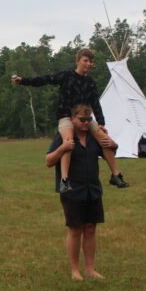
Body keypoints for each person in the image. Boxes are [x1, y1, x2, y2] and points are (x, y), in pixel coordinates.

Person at [13, 48, 129, 192]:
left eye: (91, 61)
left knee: (105, 140)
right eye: (86, 60)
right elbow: (46, 79)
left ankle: (115, 175)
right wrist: (23, 81)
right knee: (68, 142)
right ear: (77, 61)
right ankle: (65, 180)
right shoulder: (67, 76)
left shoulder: (90, 82)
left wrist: (101, 123)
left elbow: (95, 103)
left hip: (84, 117)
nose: (89, 64)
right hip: (66, 115)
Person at [46, 103, 118, 281]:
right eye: (82, 120)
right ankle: (75, 270)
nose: (86, 123)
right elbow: (48, 161)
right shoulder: (63, 136)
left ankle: (90, 269)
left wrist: (113, 144)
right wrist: (63, 148)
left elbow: (109, 153)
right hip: (72, 190)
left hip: (93, 189)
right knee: (75, 229)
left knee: (91, 228)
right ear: (72, 119)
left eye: (89, 119)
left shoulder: (94, 137)